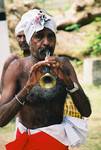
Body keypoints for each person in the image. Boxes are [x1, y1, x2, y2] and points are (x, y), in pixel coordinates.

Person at [0, 9, 91, 150]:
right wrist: (28, 87)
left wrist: (67, 81)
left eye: (51, 36)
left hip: (57, 143)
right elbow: (1, 119)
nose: (46, 43)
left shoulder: (64, 64)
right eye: (39, 37)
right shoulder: (17, 68)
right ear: (30, 40)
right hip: (28, 143)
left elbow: (86, 112)